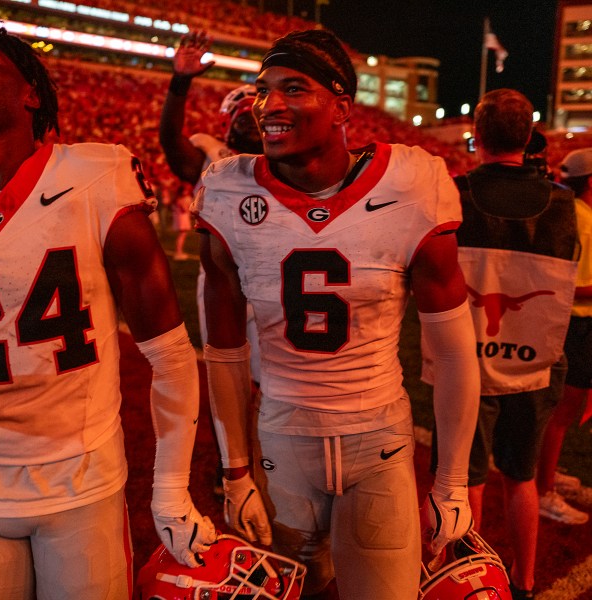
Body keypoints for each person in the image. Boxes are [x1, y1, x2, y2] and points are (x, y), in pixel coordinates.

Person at [194, 28, 480, 600]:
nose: (269, 105)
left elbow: (453, 353)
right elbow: (222, 351)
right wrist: (234, 470)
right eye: (263, 89)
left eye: (293, 89)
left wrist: (452, 484)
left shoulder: (412, 185)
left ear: (341, 106)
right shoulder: (227, 192)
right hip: (280, 438)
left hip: (378, 441)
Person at [0, 21, 215, 598]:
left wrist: (170, 487)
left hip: (80, 484)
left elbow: (168, 352)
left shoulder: (93, 175)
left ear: (30, 91)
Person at [429, 89, 578, 600]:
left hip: (464, 362)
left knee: (464, 477)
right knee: (522, 479)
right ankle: (526, 582)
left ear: (479, 136)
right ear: (529, 138)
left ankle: (466, 581)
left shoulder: (453, 194)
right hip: (536, 361)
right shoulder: (565, 203)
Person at [159, 30, 263, 382]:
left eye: (258, 119)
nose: (253, 125)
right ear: (226, 122)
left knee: (273, 381)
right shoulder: (209, 154)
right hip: (220, 277)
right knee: (226, 380)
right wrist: (179, 83)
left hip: (271, 275)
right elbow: (171, 142)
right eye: (244, 118)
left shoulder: (283, 161)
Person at [535, 147, 592, 525]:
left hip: (566, 322)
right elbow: (575, 285)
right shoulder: (583, 219)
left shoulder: (568, 210)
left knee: (557, 410)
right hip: (576, 323)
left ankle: (546, 475)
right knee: (560, 411)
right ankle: (543, 491)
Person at [172, 183, 194, 260]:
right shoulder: (181, 199)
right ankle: (178, 253)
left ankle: (179, 252)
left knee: (182, 236)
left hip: (181, 218)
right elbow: (185, 209)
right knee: (182, 236)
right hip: (182, 219)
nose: (187, 191)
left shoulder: (178, 198)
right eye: (186, 190)